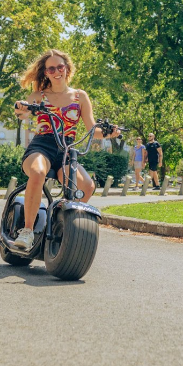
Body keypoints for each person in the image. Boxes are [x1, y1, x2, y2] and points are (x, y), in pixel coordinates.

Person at [12, 49, 121, 250]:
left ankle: (60, 221)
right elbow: (24, 113)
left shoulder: (80, 96)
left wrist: (108, 133)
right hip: (41, 146)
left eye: (60, 67)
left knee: (87, 187)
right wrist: (21, 109)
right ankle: (27, 231)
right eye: (51, 68)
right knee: (37, 172)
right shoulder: (39, 95)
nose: (56, 71)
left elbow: (92, 130)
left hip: (66, 149)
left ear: (67, 68)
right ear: (45, 73)